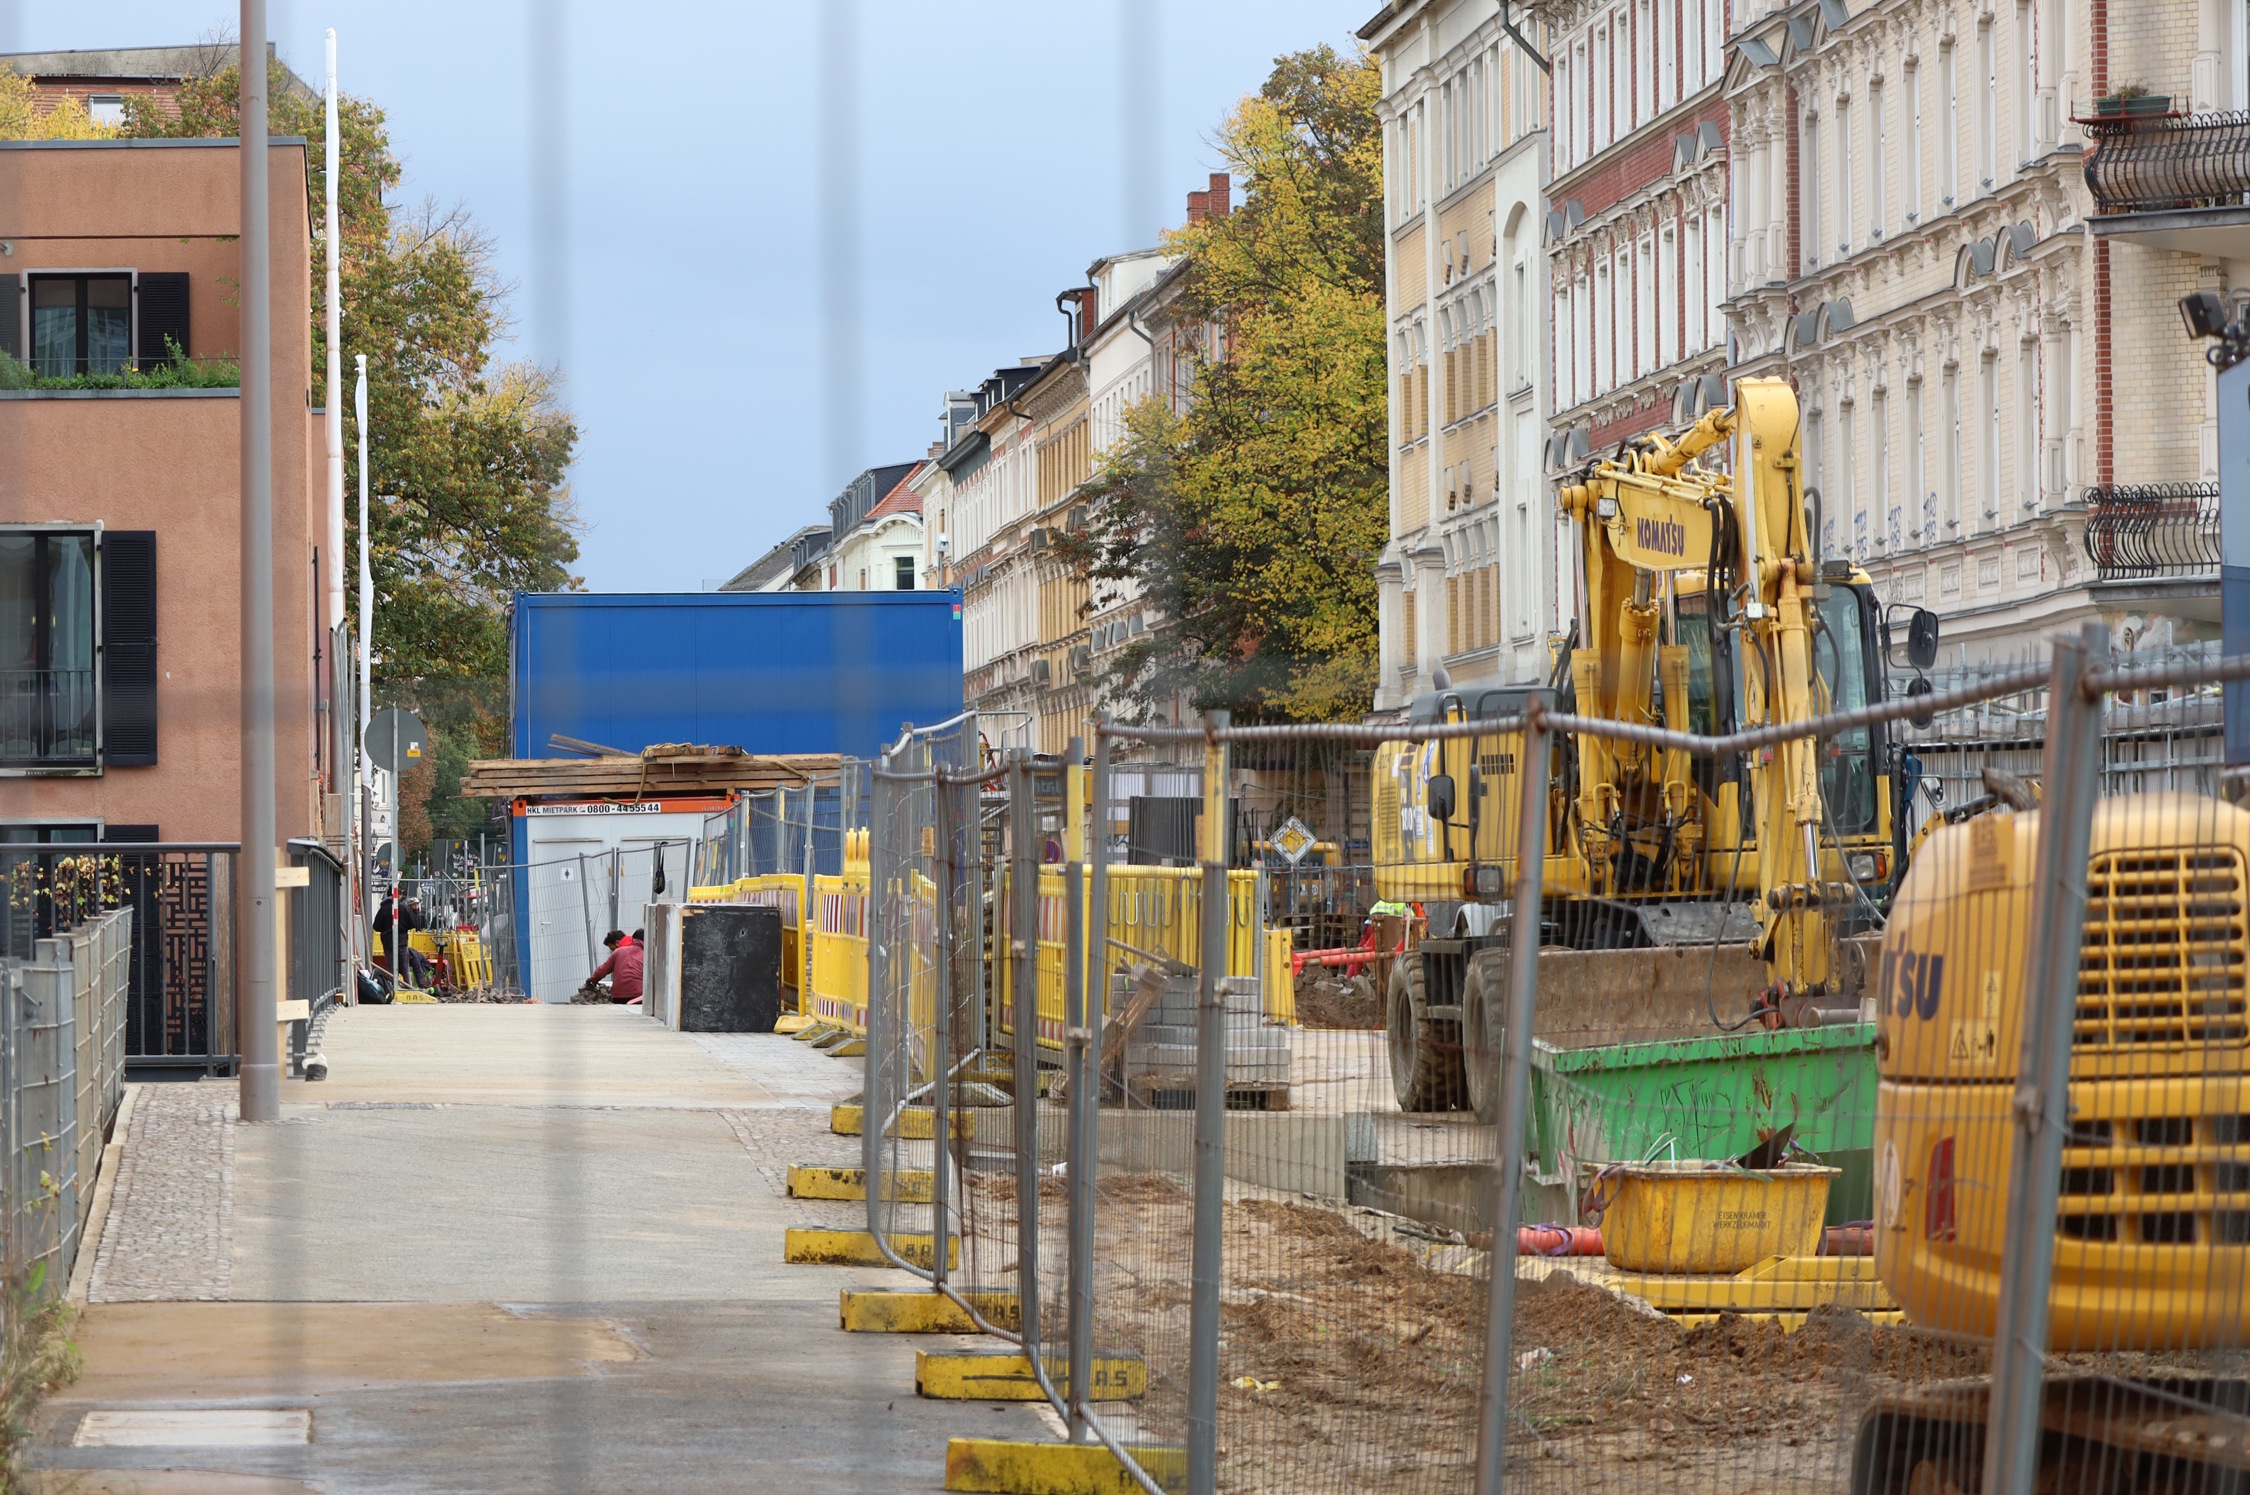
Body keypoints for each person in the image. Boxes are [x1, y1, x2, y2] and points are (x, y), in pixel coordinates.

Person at [587, 928, 642, 1004]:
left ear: (617, 943)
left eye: (612, 949)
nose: (612, 951)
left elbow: (603, 969)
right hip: (638, 996)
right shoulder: (648, 955)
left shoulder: (618, 951)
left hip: (618, 996)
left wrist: (592, 980)